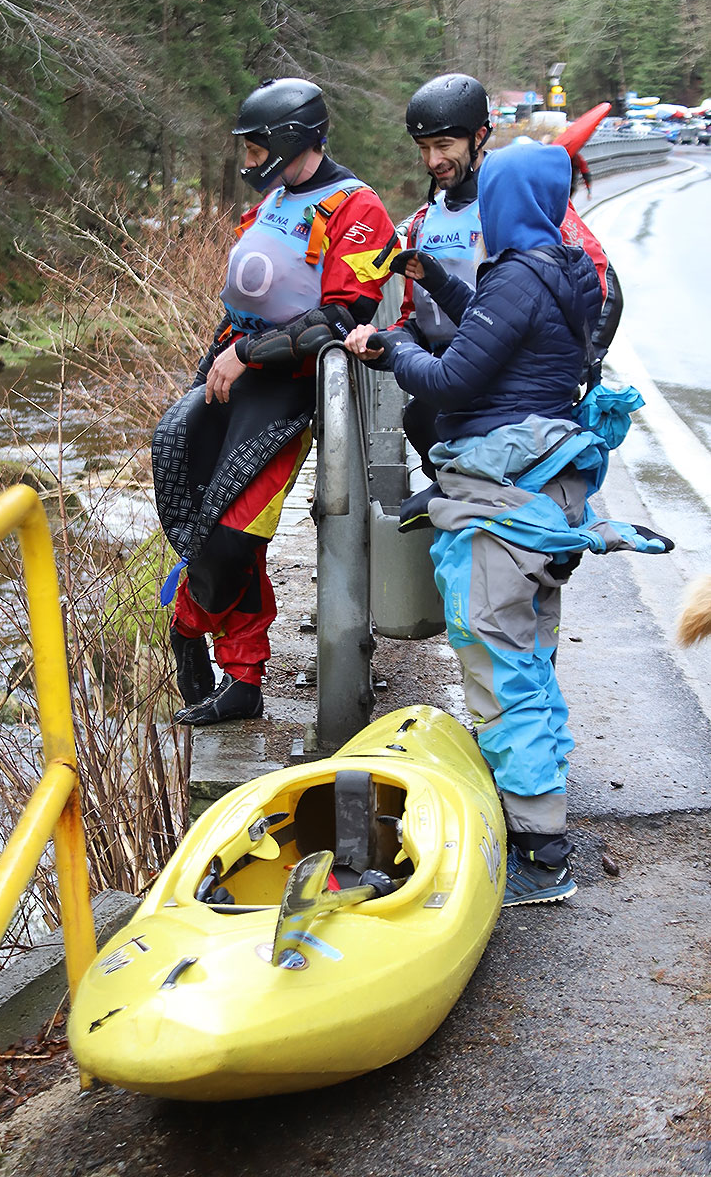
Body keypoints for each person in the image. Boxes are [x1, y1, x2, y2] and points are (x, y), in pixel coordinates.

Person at [345, 142, 672, 906]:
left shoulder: (516, 278)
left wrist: (389, 348)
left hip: (504, 493)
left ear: (504, 203)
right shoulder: (562, 271)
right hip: (550, 485)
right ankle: (536, 800)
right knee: (530, 649)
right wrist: (436, 281)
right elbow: (502, 331)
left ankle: (540, 850)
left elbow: (453, 374)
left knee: (499, 658)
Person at [152, 76, 398, 726]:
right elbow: (245, 301)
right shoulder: (270, 204)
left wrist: (248, 357)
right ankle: (242, 680)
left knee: (231, 539)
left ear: (292, 141)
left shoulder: (357, 207)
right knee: (201, 515)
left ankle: (184, 622)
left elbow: (342, 317)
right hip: (231, 376)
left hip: (289, 390)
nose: (249, 162)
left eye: (257, 149)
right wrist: (214, 363)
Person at [347, 74, 622, 475]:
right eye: (423, 148)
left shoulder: (523, 206)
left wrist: (565, 373)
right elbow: (416, 316)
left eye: (444, 146)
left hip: (510, 400)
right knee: (422, 422)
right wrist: (389, 343)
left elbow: (603, 289)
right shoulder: (424, 222)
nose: (432, 161)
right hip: (448, 383)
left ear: (479, 136)